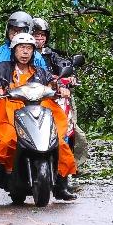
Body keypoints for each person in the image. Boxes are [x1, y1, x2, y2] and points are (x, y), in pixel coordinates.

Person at [0, 32, 77, 201]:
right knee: (6, 141)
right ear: (14, 50)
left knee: (60, 142)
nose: (25, 52)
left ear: (34, 51)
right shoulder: (3, 68)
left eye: (28, 48)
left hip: (39, 109)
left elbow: (53, 83)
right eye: (21, 48)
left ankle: (62, 186)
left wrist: (61, 88)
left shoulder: (40, 71)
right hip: (11, 111)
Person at [0, 11, 47, 200]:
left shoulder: (36, 58)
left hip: (30, 108)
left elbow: (47, 79)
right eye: (13, 30)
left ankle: (62, 180)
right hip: (2, 108)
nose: (16, 34)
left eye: (21, 30)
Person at [31, 17, 89, 164]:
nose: (39, 38)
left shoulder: (51, 54)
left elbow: (65, 66)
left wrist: (70, 78)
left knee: (72, 129)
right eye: (36, 34)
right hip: (33, 97)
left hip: (56, 95)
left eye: (42, 35)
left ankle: (73, 164)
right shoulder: (21, 54)